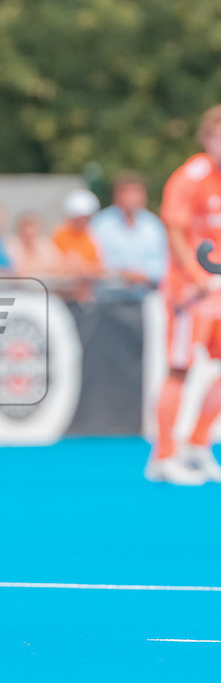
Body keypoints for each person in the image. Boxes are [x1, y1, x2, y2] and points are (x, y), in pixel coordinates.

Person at [148, 104, 221, 485]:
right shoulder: (190, 177)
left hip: (219, 292)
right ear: (207, 139)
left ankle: (197, 443)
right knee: (180, 369)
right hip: (190, 291)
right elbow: (174, 229)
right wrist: (196, 276)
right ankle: (163, 456)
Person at [90, 171, 167, 290]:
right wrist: (122, 274)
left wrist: (141, 275)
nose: (130, 196)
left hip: (147, 289)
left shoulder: (154, 226)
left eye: (135, 191)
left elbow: (161, 265)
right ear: (115, 195)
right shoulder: (100, 224)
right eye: (125, 191)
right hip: (109, 290)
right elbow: (93, 262)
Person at [52, 188, 102, 300]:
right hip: (66, 293)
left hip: (88, 292)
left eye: (86, 218)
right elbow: (60, 265)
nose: (83, 221)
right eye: (80, 218)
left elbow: (99, 265)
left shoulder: (91, 235)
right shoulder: (60, 235)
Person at [6, 212, 62, 279]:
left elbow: (58, 267)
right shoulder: (11, 245)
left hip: (46, 283)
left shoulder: (45, 244)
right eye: (25, 226)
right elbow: (15, 271)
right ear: (18, 228)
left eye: (32, 225)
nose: (28, 230)